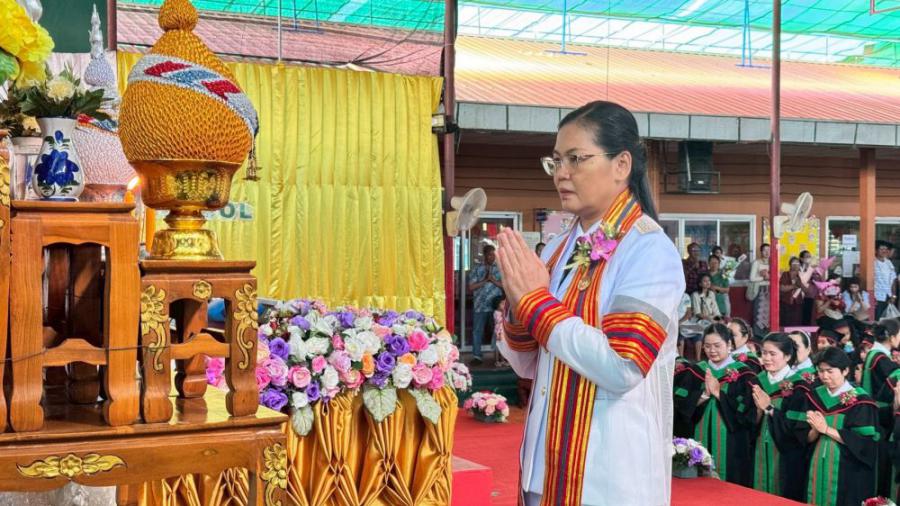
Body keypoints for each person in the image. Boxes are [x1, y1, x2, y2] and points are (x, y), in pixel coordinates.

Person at [496, 101, 684, 506]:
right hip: (543, 465)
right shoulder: (558, 248)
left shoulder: (649, 249)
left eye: (576, 159)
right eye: (556, 161)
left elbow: (623, 365)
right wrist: (517, 302)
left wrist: (535, 303)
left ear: (621, 165)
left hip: (606, 474)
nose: (561, 173)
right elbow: (527, 364)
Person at [802, 347, 880, 505]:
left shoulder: (861, 402)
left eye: (830, 371)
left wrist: (826, 429)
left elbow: (864, 444)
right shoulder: (814, 396)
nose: (824, 376)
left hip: (847, 471)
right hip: (816, 465)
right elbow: (804, 438)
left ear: (845, 371)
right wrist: (816, 430)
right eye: (821, 371)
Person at [691, 323, 757, 487]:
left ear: (729, 344)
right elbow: (683, 407)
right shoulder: (697, 370)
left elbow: (747, 412)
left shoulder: (744, 373)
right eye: (707, 346)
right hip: (699, 435)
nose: (712, 350)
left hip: (732, 443)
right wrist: (704, 395)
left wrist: (719, 393)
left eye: (717, 345)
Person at [749, 333, 809, 497]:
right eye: (764, 353)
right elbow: (747, 422)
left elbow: (796, 429)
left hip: (786, 455)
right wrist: (759, 411)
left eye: (772, 354)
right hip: (759, 449)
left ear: (787, 356)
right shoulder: (757, 382)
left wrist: (769, 408)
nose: (766, 358)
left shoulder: (800, 387)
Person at [861, 319, 900, 497]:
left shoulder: (873, 354)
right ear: (892, 337)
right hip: (883, 417)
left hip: (873, 411)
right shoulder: (881, 358)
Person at [467, 244, 503, 365]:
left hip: (495, 306)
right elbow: (471, 287)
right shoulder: (477, 269)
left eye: (494, 254)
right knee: (477, 331)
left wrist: (492, 280)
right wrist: (485, 280)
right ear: (485, 255)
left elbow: (504, 286)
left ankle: (497, 357)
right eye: (490, 255)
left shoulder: (499, 269)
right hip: (480, 305)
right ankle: (477, 356)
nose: (492, 257)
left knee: (497, 331)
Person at [750, 244, 772, 333]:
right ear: (761, 252)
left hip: (770, 290)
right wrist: (764, 278)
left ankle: (767, 332)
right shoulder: (757, 262)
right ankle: (758, 333)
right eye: (764, 250)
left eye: (769, 250)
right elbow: (752, 278)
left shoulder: (773, 263)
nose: (767, 252)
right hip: (760, 289)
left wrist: (770, 277)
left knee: (768, 312)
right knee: (759, 311)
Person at [780, 257, 806, 327]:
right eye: (793, 263)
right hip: (786, 302)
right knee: (786, 323)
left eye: (797, 263)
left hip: (798, 303)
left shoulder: (801, 275)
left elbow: (806, 289)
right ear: (790, 265)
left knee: (797, 323)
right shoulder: (785, 274)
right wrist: (794, 286)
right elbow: (782, 288)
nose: (795, 265)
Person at [875, 240, 897, 320]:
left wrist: (893, 295)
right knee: (877, 319)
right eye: (881, 249)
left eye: (886, 249)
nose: (884, 251)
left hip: (888, 296)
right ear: (876, 250)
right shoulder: (872, 262)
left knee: (887, 320)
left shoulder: (888, 263)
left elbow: (893, 280)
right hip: (877, 296)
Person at [799, 250, 820, 325]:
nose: (809, 258)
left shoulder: (815, 269)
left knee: (813, 315)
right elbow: (802, 281)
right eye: (806, 257)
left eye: (809, 257)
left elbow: (819, 281)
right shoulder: (799, 269)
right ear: (801, 259)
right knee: (804, 316)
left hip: (813, 295)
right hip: (803, 295)